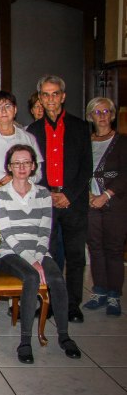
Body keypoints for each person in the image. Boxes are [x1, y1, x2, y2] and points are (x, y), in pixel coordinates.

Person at [0, 144, 81, 363]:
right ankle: (25, 341)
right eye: (16, 163)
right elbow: (6, 233)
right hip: (10, 252)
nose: (22, 167)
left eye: (26, 162)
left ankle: (64, 336)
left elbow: (45, 230)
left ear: (33, 166)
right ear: (9, 167)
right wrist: (32, 261)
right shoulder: (0, 194)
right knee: (31, 277)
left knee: (57, 280)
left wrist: (39, 257)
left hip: (38, 250)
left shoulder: (42, 193)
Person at [27, 75, 92, 323]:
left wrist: (68, 195)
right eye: (46, 94)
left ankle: (73, 305)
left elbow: (86, 167)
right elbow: (31, 170)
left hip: (73, 200)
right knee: (49, 254)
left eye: (55, 94)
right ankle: (51, 303)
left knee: (75, 256)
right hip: (46, 200)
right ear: (40, 98)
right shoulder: (33, 131)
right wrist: (48, 195)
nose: (50, 99)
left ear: (63, 97)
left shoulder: (80, 127)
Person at [83, 97, 127, 316]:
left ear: (112, 114)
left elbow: (125, 174)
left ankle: (114, 296)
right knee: (95, 247)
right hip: (90, 202)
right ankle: (99, 291)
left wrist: (106, 194)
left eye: (106, 111)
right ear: (90, 116)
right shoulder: (85, 142)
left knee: (114, 249)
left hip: (115, 203)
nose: (102, 116)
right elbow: (80, 169)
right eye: (97, 112)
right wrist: (88, 194)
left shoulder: (122, 142)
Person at [0, 91, 42, 184]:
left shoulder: (29, 138)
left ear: (15, 110)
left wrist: (19, 179)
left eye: (8, 106)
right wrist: (0, 176)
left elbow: (38, 173)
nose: (3, 111)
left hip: (24, 191)